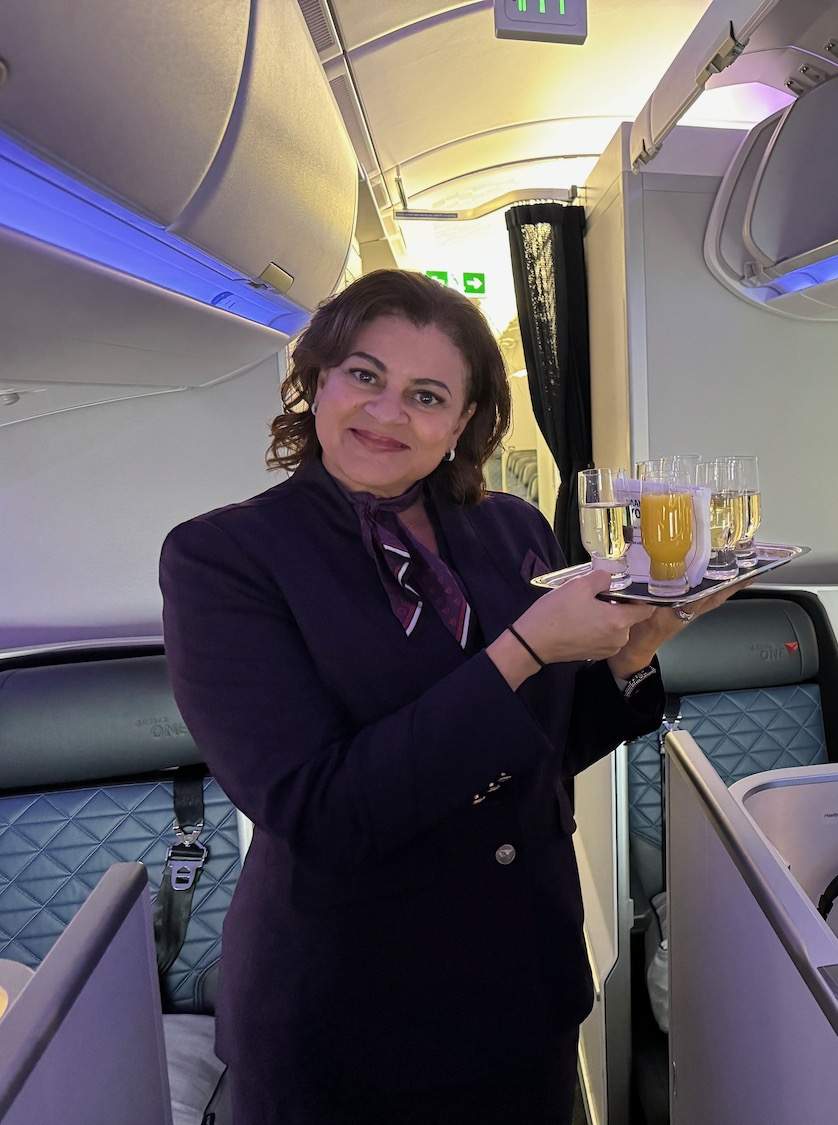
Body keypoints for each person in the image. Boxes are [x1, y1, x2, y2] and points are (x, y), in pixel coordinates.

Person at [160, 269, 731, 1123]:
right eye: (363, 375)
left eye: (426, 395)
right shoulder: (226, 558)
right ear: (317, 380)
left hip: (523, 989)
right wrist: (528, 647)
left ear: (463, 422)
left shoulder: (511, 528)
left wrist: (630, 657)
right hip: (350, 1019)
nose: (389, 413)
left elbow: (540, 746)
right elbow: (320, 810)